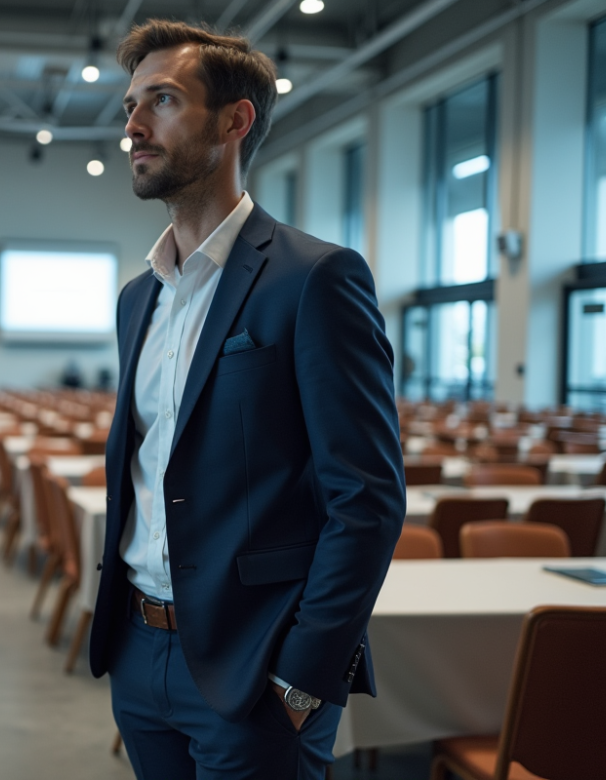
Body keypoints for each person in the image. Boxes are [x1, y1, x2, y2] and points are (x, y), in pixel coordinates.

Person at [88, 21, 405, 780]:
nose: (132, 125)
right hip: (139, 654)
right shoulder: (140, 298)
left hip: (255, 666)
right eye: (131, 104)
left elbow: (365, 498)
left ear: (234, 121)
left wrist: (302, 678)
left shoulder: (315, 278)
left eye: (161, 101)